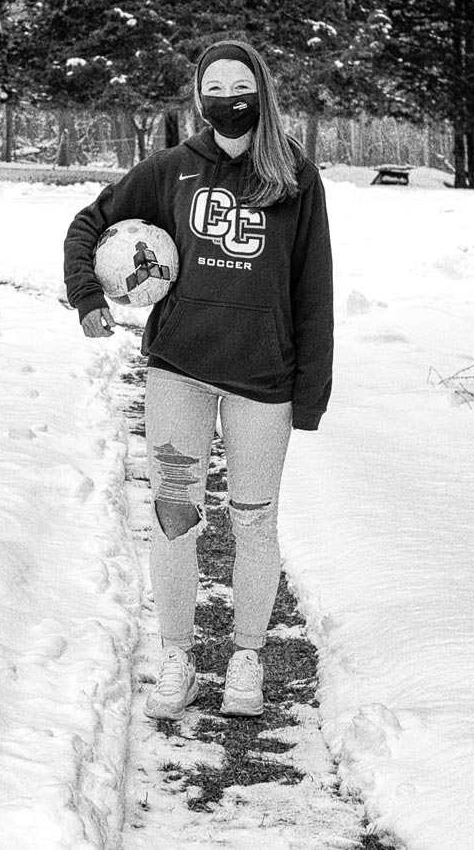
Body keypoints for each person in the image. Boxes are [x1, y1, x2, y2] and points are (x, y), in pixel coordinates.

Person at [62, 38, 333, 720]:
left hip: (262, 382)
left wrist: (311, 391)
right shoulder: (172, 170)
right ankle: (177, 657)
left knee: (255, 521)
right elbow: (89, 224)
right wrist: (88, 296)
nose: (227, 99)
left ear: (261, 91)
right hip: (179, 371)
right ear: (198, 97)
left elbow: (314, 289)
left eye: (240, 86)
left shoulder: (296, 177)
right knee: (174, 514)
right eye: (214, 88)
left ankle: (247, 657)